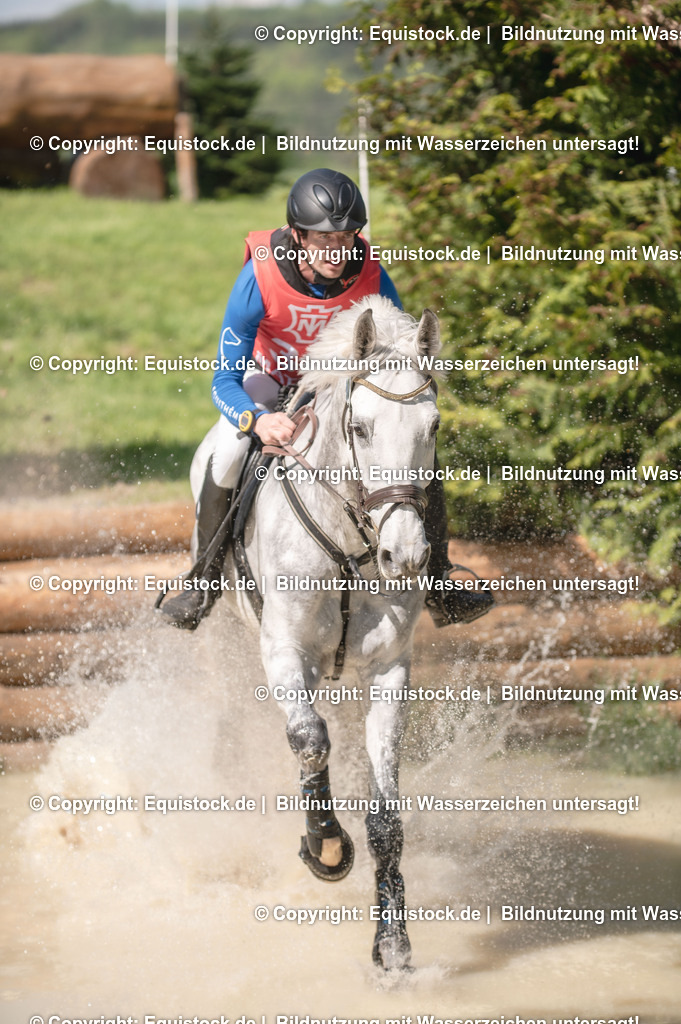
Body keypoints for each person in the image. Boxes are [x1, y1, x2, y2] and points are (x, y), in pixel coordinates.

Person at [159, 167, 491, 630]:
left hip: (338, 387)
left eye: (347, 237)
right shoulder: (258, 277)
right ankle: (204, 583)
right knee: (230, 449)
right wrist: (256, 422)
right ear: (297, 236)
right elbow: (223, 382)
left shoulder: (371, 273)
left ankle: (438, 582)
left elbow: (397, 352)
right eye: (323, 240)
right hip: (269, 381)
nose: (338, 251)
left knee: (416, 460)